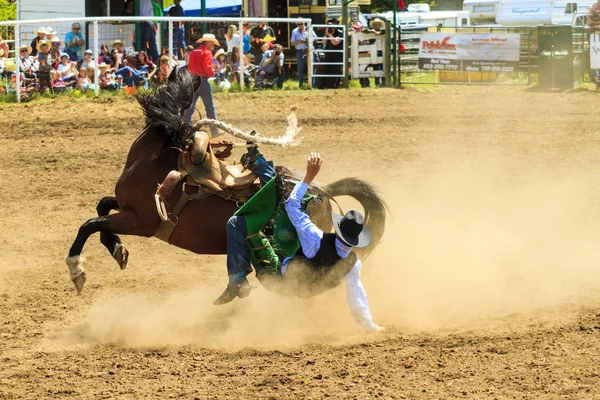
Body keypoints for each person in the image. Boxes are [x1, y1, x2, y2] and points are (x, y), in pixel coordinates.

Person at [213, 150, 384, 332]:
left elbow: (292, 205)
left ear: (339, 228)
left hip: (276, 279)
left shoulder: (315, 238)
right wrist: (370, 326)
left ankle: (237, 280)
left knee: (236, 223)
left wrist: (309, 176)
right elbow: (357, 298)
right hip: (301, 292)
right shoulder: (353, 264)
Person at [184, 33, 220, 136]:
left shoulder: (194, 52)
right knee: (209, 106)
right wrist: (212, 73)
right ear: (207, 42)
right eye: (212, 43)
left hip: (193, 81)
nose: (213, 45)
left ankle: (185, 129)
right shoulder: (207, 52)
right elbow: (206, 67)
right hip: (203, 81)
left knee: (190, 106)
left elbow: (190, 67)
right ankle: (215, 130)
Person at [360, 18, 385, 88]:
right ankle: (375, 83)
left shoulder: (382, 32)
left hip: (380, 51)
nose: (376, 26)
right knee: (375, 67)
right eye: (375, 24)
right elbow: (364, 30)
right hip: (373, 51)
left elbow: (383, 32)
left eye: (377, 24)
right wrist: (371, 31)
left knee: (381, 68)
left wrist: (375, 32)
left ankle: (381, 83)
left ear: (380, 25)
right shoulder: (370, 33)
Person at [319, 18, 343, 89]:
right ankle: (324, 86)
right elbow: (323, 42)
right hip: (329, 54)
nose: (331, 26)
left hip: (337, 55)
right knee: (326, 69)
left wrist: (330, 35)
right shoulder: (327, 32)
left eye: (333, 23)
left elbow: (335, 42)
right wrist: (326, 34)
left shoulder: (340, 32)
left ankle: (333, 86)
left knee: (335, 70)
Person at [290, 21, 314, 87]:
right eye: (298, 24)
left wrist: (307, 40)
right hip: (300, 51)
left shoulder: (309, 29)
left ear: (304, 23)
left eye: (301, 24)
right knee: (300, 69)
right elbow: (292, 43)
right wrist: (300, 41)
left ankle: (312, 84)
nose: (300, 25)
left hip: (308, 51)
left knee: (311, 68)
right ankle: (301, 84)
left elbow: (315, 38)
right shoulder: (294, 31)